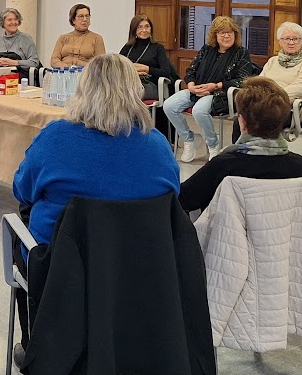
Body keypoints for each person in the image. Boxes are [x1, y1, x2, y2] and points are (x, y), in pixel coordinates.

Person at [14, 53, 181, 249]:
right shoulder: (158, 145)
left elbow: (22, 190)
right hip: (142, 259)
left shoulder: (54, 137)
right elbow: (173, 196)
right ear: (137, 91)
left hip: (61, 261)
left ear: (82, 90)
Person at [179, 77, 302, 214]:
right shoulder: (299, 165)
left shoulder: (224, 164)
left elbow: (183, 199)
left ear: (242, 122)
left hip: (231, 227)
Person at [162, 15, 255, 163]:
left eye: (230, 32)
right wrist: (191, 86)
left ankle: (213, 144)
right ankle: (189, 139)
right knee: (169, 105)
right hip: (197, 89)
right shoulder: (206, 49)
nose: (226, 36)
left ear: (235, 34)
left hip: (221, 94)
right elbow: (191, 71)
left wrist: (216, 85)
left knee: (199, 110)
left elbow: (243, 80)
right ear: (215, 35)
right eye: (222, 32)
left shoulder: (241, 53)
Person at [259, 22, 302, 125]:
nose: (291, 42)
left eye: (295, 39)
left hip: (297, 111)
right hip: (268, 106)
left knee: (261, 121)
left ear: (301, 41)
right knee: (242, 119)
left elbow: (299, 89)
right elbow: (260, 83)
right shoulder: (272, 61)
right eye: (287, 39)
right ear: (280, 42)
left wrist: (272, 99)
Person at [119, 13, 177, 102]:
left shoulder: (158, 48)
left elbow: (165, 72)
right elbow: (118, 68)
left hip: (149, 84)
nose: (144, 30)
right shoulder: (128, 47)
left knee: (124, 94)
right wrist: (134, 72)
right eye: (140, 27)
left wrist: (146, 69)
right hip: (130, 82)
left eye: (147, 26)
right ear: (134, 30)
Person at [0, 7, 41, 77]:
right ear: (3, 23)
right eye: (10, 20)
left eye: (16, 19)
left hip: (18, 74)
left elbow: (34, 62)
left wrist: (14, 62)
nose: (13, 22)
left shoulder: (26, 39)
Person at [49, 3, 105, 68]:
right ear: (73, 20)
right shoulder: (63, 38)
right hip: (63, 72)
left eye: (87, 16)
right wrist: (66, 68)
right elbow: (54, 60)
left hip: (86, 72)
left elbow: (101, 64)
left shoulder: (96, 38)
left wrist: (79, 65)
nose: (85, 19)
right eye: (81, 16)